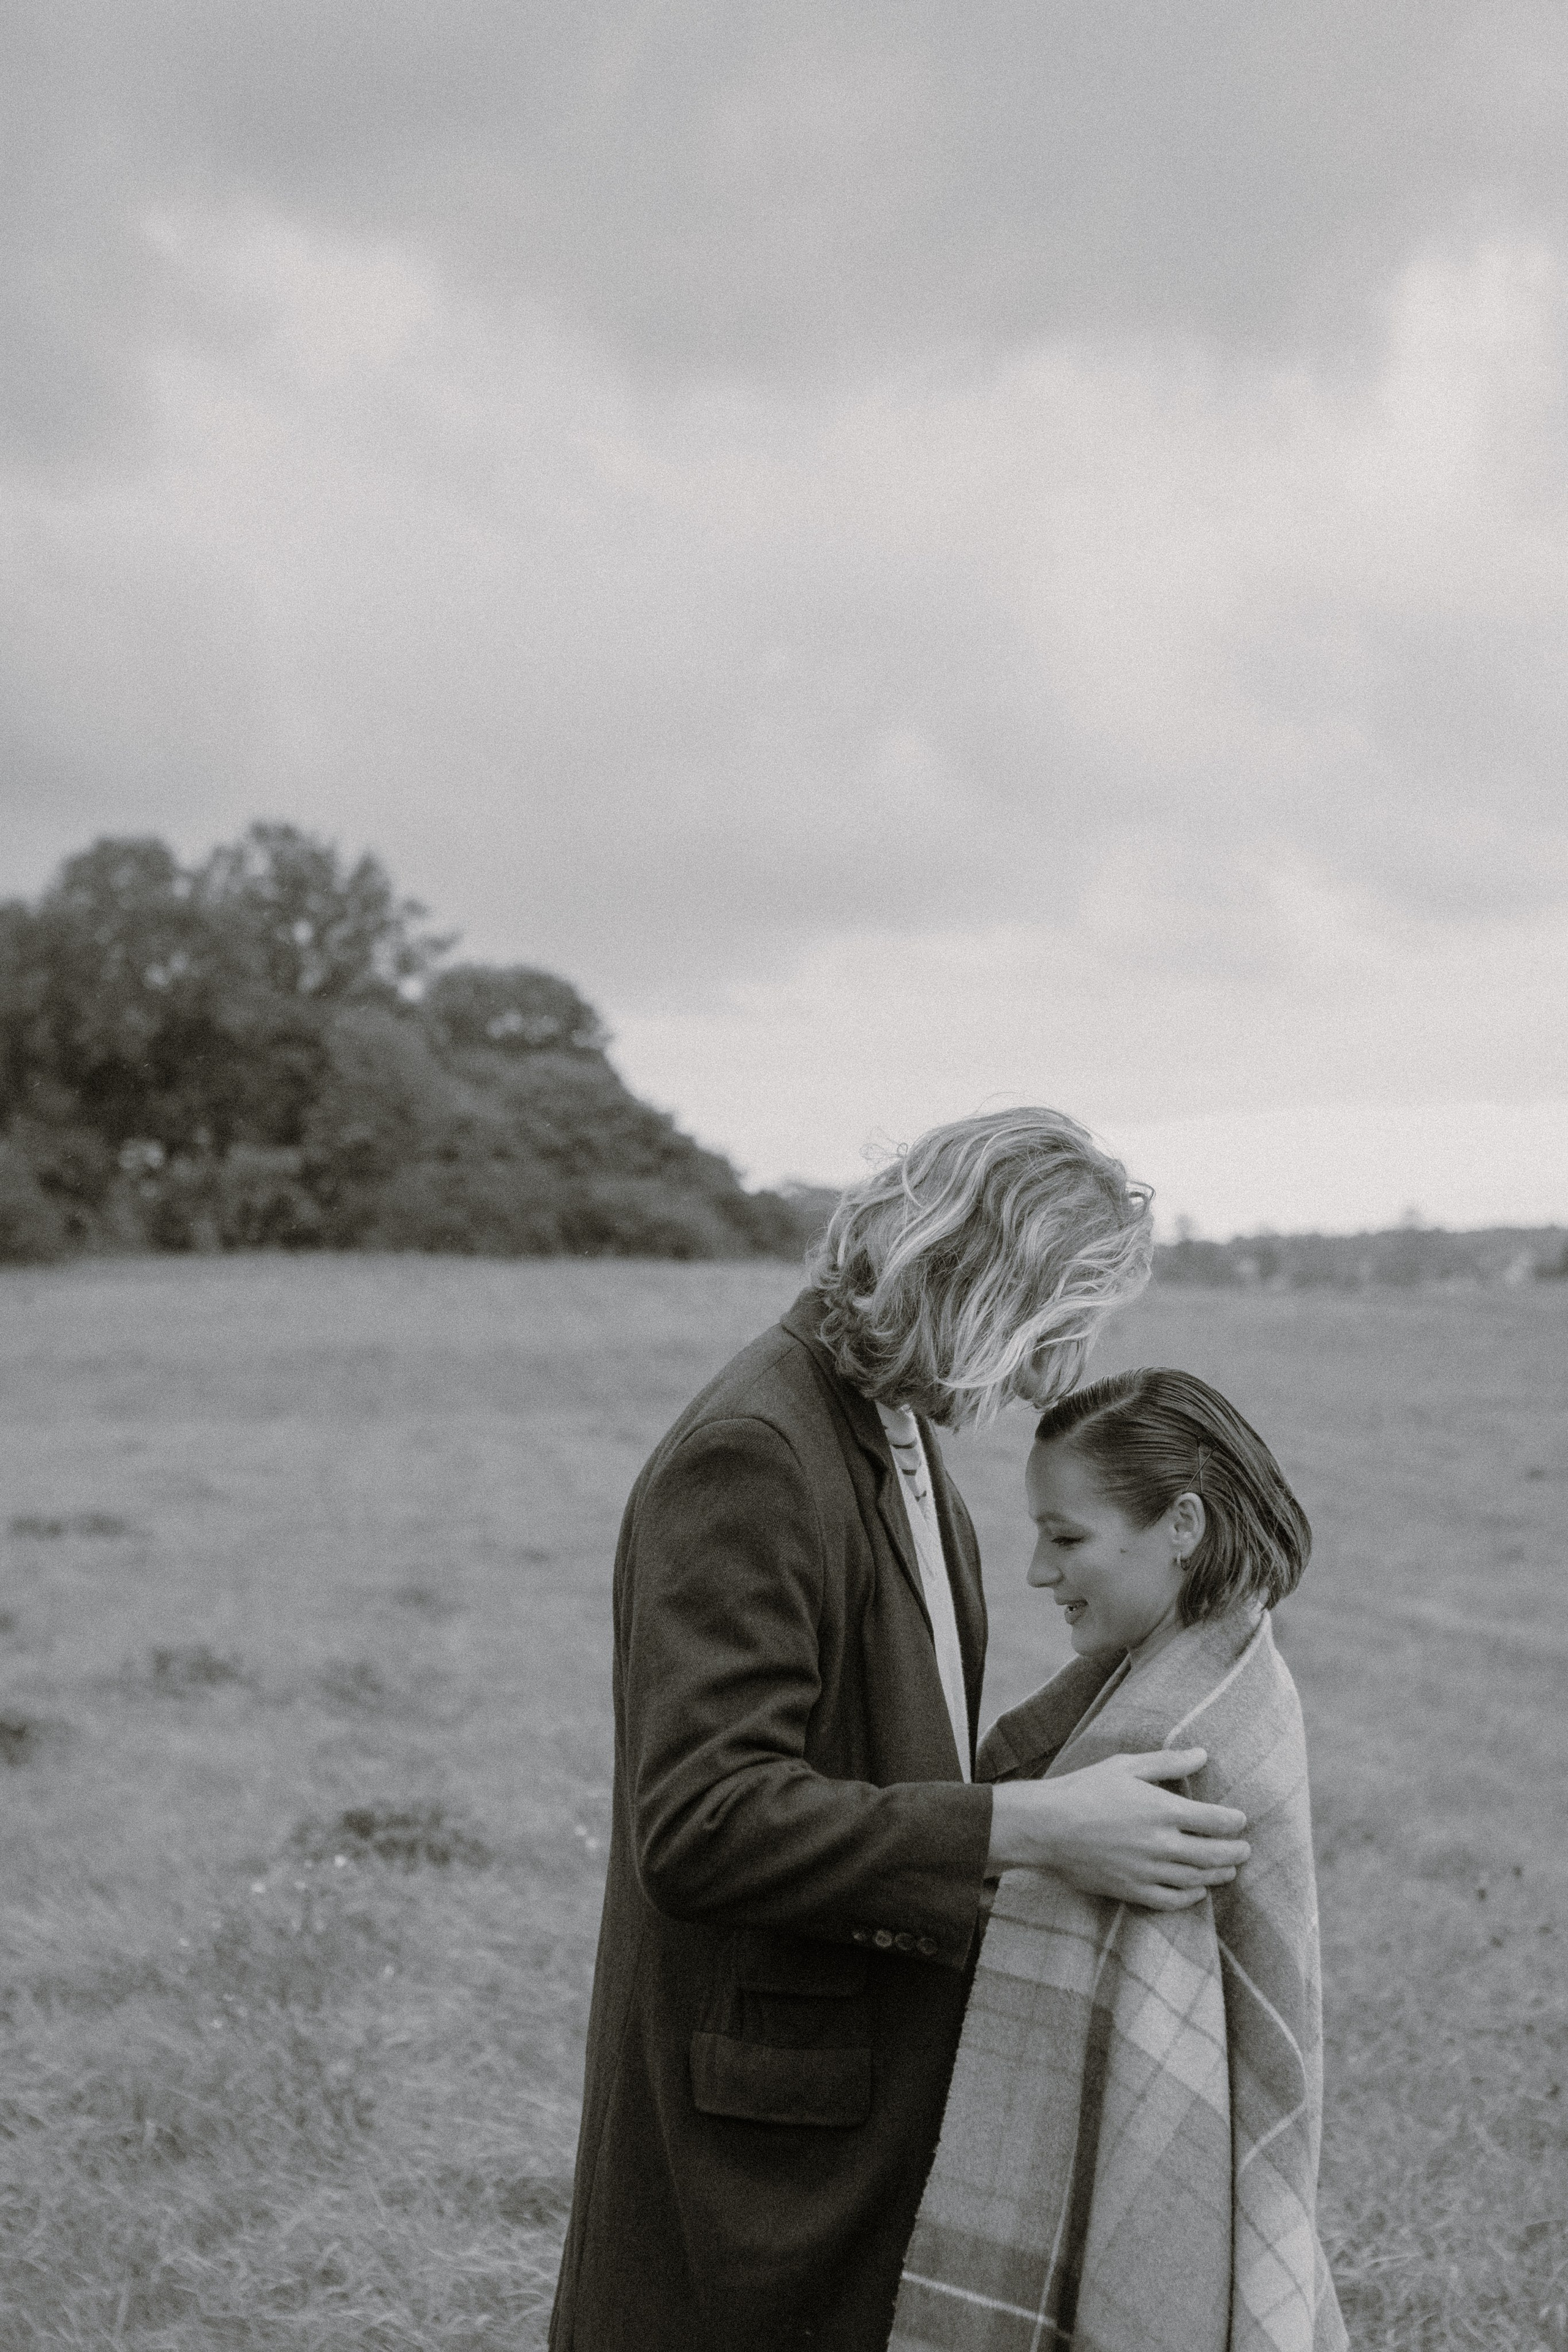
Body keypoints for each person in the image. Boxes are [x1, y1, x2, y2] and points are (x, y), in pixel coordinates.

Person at [548, 1112, 1254, 2352]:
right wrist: (1030, 1827)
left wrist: (1141, 1672)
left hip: (855, 2098)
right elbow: (701, 1823)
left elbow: (906, 1763)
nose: (1064, 1367)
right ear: (989, 1285)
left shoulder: (897, 1431)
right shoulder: (754, 1451)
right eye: (1064, 1320)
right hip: (759, 2143)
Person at [891, 1370, 1348, 2352]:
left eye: (1067, 1540)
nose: (1037, 1573)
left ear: (1183, 1524)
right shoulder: (1235, 1667)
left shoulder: (1156, 1745)